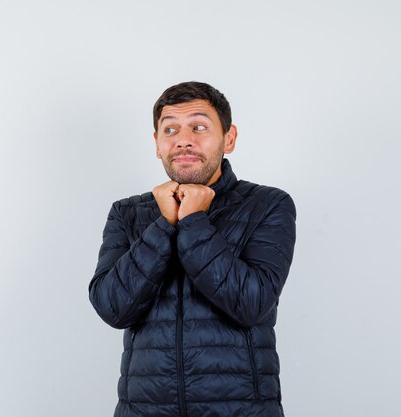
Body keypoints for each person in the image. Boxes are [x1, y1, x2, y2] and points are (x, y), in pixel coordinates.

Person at [88, 81, 296, 417]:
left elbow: (251, 303)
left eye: (199, 127)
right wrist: (163, 225)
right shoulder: (128, 213)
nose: (184, 139)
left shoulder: (268, 205)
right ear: (157, 144)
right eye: (170, 129)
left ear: (229, 138)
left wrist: (193, 220)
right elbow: (113, 307)